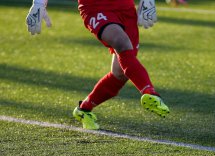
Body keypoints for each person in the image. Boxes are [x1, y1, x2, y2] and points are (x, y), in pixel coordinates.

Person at [26, 0, 170, 130]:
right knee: (122, 43)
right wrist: (39, 4)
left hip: (125, 7)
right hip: (96, 7)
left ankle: (84, 109)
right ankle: (149, 92)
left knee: (119, 74)